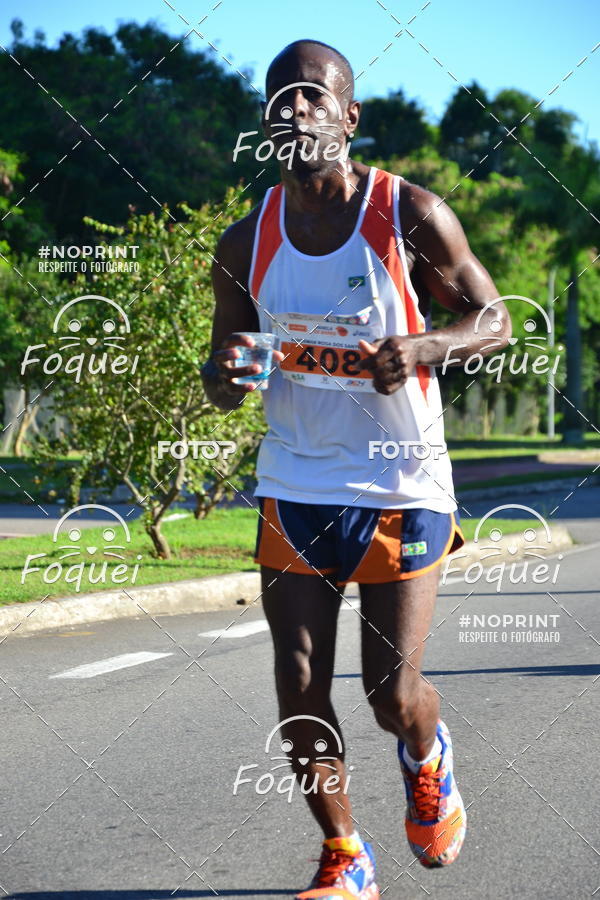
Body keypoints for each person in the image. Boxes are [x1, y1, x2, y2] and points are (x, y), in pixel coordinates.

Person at [202, 39, 511, 900]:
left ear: (350, 117)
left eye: (313, 95)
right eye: (280, 99)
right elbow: (223, 379)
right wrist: (225, 372)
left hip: (402, 482)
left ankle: (426, 750)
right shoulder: (245, 239)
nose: (295, 109)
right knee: (299, 685)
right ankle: (346, 856)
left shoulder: (408, 213)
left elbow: (496, 320)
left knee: (387, 691)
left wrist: (426, 344)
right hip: (296, 481)